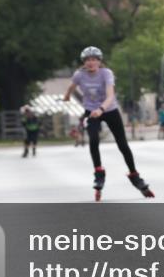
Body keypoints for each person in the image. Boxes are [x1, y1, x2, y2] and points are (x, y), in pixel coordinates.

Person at [63, 47, 154, 201]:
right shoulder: (79, 75)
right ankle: (99, 173)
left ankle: (134, 175)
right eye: (87, 60)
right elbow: (71, 86)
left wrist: (101, 109)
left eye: (94, 59)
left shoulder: (106, 73)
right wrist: (67, 96)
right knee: (93, 140)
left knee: (122, 144)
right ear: (84, 62)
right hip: (91, 112)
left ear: (99, 61)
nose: (91, 63)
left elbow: (110, 95)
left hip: (109, 110)